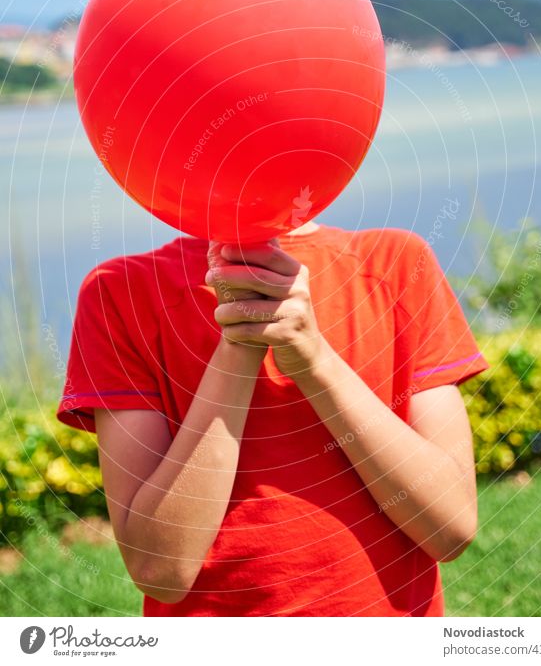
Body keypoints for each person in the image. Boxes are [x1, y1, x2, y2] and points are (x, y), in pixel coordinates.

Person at [57, 219, 489, 616]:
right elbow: (160, 569)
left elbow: (449, 529)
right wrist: (241, 345)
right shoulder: (120, 291)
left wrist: (313, 358)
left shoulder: (395, 263)